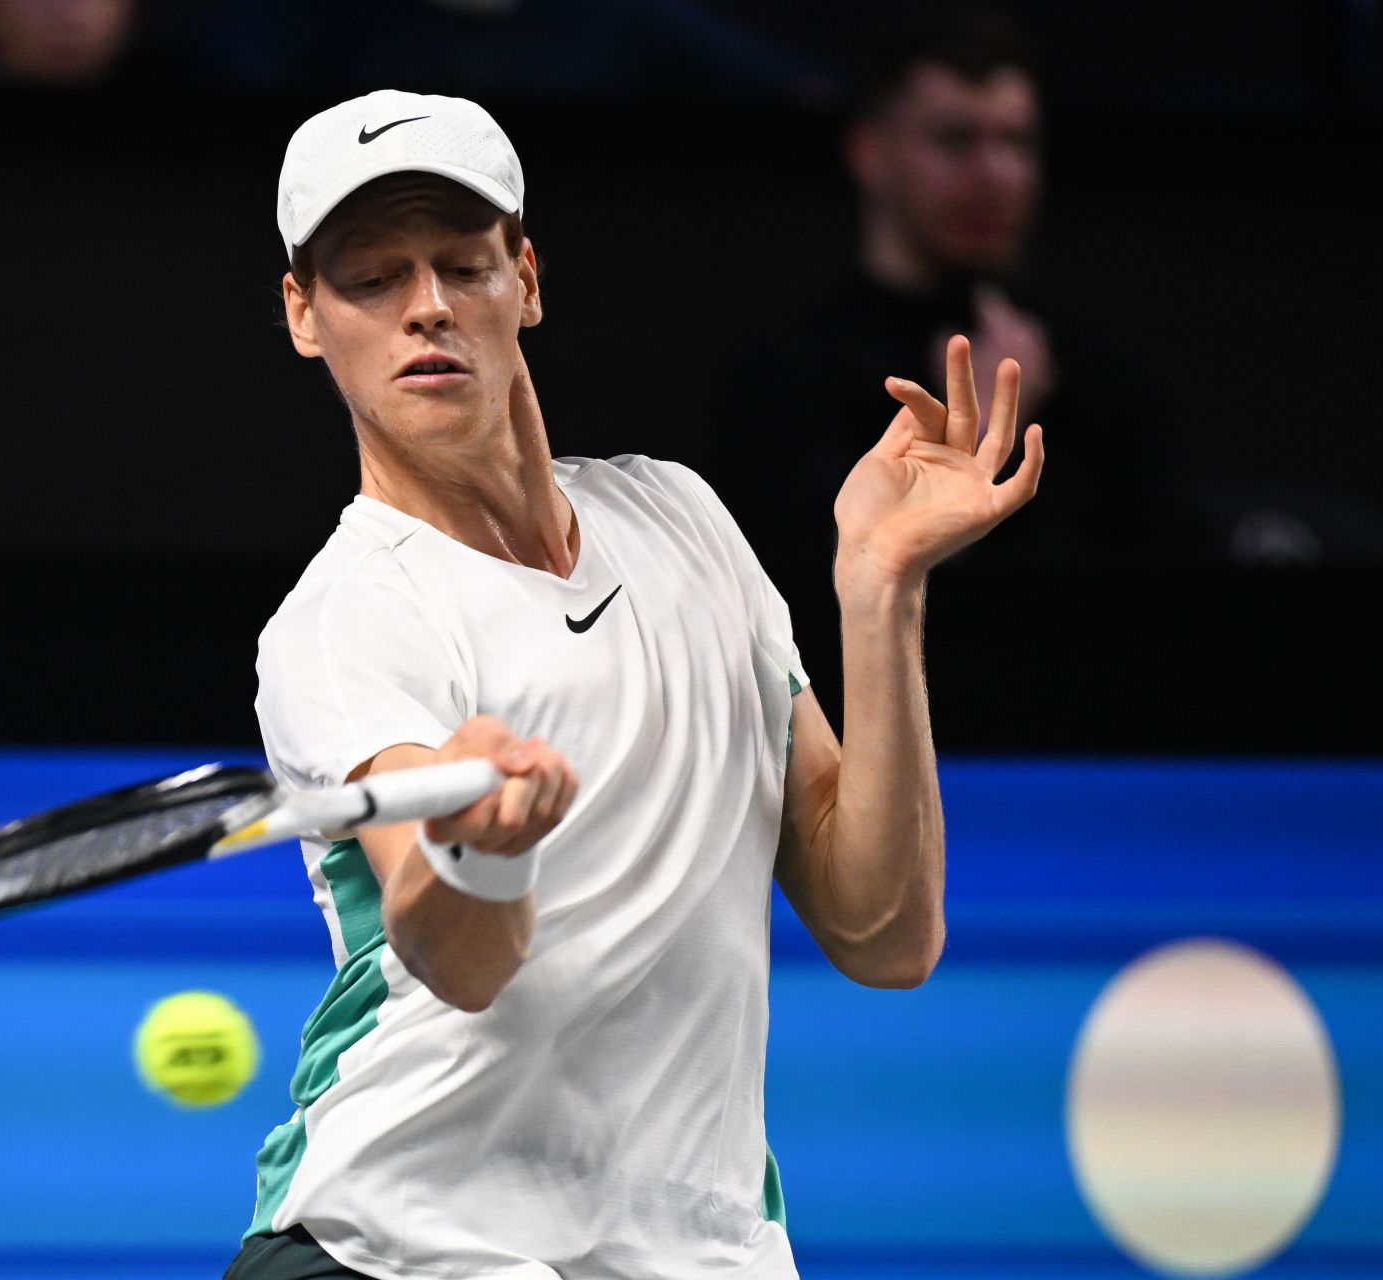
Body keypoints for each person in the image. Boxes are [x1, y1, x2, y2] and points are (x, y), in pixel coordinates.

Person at [230, 88, 1042, 1280]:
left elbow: (885, 931)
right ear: (305, 315)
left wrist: (879, 591)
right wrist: (485, 843)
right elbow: (456, 954)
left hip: (692, 1251)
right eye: (370, 279)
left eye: (463, 264)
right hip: (398, 1248)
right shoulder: (347, 616)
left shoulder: (681, 519)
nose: (427, 310)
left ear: (529, 280)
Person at [705, 4, 1202, 701]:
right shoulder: (788, 377)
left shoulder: (1093, 369)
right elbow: (805, 617)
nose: (994, 173)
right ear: (870, 152)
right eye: (955, 140)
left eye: (1016, 142)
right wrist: (978, 449)